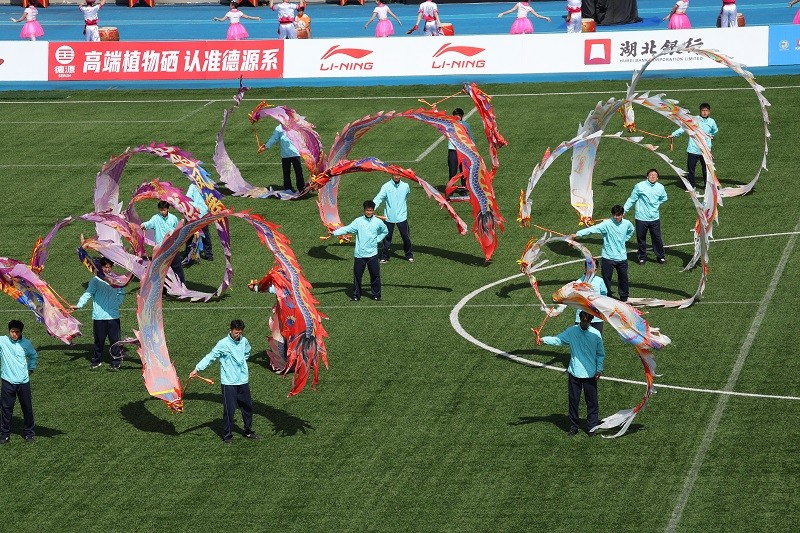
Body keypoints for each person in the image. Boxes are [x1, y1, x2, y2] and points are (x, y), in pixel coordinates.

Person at [539, 311, 605, 437]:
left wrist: (599, 369)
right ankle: (574, 427)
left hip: (590, 374)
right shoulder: (572, 331)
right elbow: (558, 340)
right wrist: (543, 339)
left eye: (587, 321)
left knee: (592, 402)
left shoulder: (596, 334)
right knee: (573, 401)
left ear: (590, 321)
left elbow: (600, 354)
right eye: (583, 321)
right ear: (580, 319)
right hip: (575, 373)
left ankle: (591, 428)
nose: (585, 323)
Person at [190, 319, 256, 444]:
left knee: (247, 407)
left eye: (240, 332)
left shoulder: (244, 341)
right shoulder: (223, 344)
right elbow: (210, 357)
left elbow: (247, 351)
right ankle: (227, 435)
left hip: (243, 380)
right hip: (228, 383)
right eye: (236, 332)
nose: (238, 335)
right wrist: (197, 368)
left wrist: (242, 363)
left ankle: (248, 431)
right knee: (229, 410)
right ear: (230, 330)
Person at [71, 258, 126, 371]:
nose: (107, 269)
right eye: (105, 267)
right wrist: (79, 305)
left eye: (109, 267)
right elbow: (88, 293)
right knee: (99, 341)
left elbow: (121, 292)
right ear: (101, 267)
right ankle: (96, 360)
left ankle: (116, 362)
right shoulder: (96, 280)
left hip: (113, 316)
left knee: (115, 341)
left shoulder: (117, 279)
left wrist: (117, 303)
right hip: (99, 317)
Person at [571, 205, 634, 302]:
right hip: (608, 257)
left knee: (623, 278)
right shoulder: (607, 224)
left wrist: (624, 239)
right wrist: (577, 234)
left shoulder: (627, 223)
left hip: (622, 257)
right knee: (606, 280)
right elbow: (592, 229)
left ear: (622, 215)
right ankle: (607, 298)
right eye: (614, 215)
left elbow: (631, 230)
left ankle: (624, 297)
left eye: (618, 215)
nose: (615, 217)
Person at [332, 200, 388, 301]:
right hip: (360, 255)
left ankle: (376, 294)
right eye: (367, 210)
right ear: (364, 210)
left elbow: (385, 231)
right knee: (357, 276)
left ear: (373, 210)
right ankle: (356, 295)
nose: (369, 212)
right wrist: (335, 233)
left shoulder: (378, 222)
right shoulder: (358, 221)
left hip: (373, 254)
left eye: (370, 210)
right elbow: (347, 229)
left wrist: (378, 239)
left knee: (375, 275)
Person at [0, 320, 37, 444]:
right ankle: (5, 435)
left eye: (17, 332)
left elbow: (33, 355)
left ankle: (29, 433)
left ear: (21, 332)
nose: (14, 334)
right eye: (12, 331)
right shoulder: (3, 341)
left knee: (27, 408)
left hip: (23, 382)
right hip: (7, 381)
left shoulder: (26, 344)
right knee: (6, 410)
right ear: (9, 331)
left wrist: (31, 368)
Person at [623, 169, 668, 265]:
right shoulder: (639, 186)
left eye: (655, 175)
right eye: (651, 175)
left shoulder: (660, 187)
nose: (653, 176)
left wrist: (656, 204)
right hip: (641, 218)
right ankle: (642, 257)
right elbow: (632, 199)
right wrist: (624, 210)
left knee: (657, 238)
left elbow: (664, 198)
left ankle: (660, 256)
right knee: (641, 239)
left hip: (654, 218)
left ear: (657, 178)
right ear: (647, 177)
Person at [670, 103, 718, 190]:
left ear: (709, 112)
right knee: (691, 169)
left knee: (707, 170)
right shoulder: (693, 120)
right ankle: (692, 186)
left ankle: (707, 186)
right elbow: (683, 128)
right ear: (700, 111)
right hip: (693, 149)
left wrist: (709, 136)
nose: (704, 112)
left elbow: (715, 130)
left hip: (705, 150)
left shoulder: (712, 121)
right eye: (703, 110)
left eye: (706, 110)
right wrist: (673, 134)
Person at [141, 200, 185, 285]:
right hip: (161, 249)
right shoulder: (155, 218)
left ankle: (182, 286)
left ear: (168, 209)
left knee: (177, 268)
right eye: (161, 210)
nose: (162, 212)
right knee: (161, 270)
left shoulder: (173, 218)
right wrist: (144, 225)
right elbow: (149, 223)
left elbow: (178, 230)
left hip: (172, 247)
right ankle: (163, 289)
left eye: (164, 210)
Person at [374, 175, 413, 263]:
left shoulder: (405, 186)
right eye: (394, 175)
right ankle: (384, 257)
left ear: (401, 175)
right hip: (389, 217)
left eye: (398, 175)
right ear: (392, 175)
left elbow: (407, 196)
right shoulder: (386, 186)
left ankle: (409, 255)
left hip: (402, 217)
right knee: (387, 237)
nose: (396, 177)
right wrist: (372, 207)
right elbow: (379, 198)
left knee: (406, 237)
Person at [263, 124, 305, 194]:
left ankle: (301, 188)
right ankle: (288, 188)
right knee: (286, 172)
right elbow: (274, 138)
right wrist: (266, 146)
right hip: (285, 155)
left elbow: (302, 136)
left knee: (298, 171)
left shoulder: (294, 125)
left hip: (295, 153)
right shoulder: (279, 128)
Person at [573, 260, 607, 335]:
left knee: (597, 339)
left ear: (596, 269)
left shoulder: (600, 281)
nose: (591, 270)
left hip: (597, 318)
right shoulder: (578, 283)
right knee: (579, 340)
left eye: (594, 268)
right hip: (581, 318)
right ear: (585, 268)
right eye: (589, 268)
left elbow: (604, 295)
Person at [183, 183, 213, 263]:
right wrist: (195, 207)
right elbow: (188, 198)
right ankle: (188, 254)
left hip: (202, 214)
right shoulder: (193, 186)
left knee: (205, 235)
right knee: (189, 236)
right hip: (192, 215)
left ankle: (208, 254)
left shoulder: (207, 186)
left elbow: (210, 200)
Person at [447, 108, 474, 199]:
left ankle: (464, 189)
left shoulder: (466, 125)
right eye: (456, 115)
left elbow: (471, 138)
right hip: (453, 151)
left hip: (463, 151)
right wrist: (435, 110)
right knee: (452, 172)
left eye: (459, 115)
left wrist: (473, 150)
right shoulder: (449, 123)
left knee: (464, 172)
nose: (457, 116)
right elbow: (440, 120)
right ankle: (450, 190)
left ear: (462, 116)